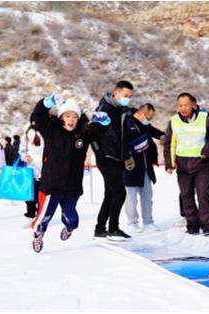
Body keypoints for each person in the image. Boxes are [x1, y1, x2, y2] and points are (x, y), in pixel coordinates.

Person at [30, 94, 110, 253]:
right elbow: (37, 116)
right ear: (61, 117)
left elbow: (101, 129)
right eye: (67, 115)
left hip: (72, 186)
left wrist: (105, 120)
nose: (71, 119)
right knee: (43, 215)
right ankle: (38, 234)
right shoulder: (50, 129)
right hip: (50, 184)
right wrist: (46, 103)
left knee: (70, 216)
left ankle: (70, 227)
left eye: (74, 116)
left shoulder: (83, 132)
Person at [163, 93, 209, 236]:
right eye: (180, 105)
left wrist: (207, 149)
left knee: (203, 195)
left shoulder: (204, 118)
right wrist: (169, 163)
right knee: (186, 196)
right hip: (182, 164)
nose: (183, 108)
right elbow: (169, 143)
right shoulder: (174, 121)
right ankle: (192, 226)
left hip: (202, 163)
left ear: (193, 105)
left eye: (186, 105)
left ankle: (206, 226)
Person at [91, 80, 134, 241]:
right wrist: (99, 154)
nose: (127, 98)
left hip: (118, 157)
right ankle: (113, 228)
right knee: (119, 192)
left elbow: (123, 137)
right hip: (107, 156)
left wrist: (126, 156)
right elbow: (92, 133)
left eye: (130, 96)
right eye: (125, 95)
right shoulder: (105, 108)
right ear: (115, 92)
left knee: (110, 193)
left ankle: (100, 228)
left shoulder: (122, 110)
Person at [122, 103, 164, 233]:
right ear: (142, 114)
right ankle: (132, 223)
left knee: (147, 196)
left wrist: (163, 135)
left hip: (146, 166)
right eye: (148, 118)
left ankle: (148, 222)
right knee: (131, 197)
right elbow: (120, 142)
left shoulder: (143, 124)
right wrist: (125, 158)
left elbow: (152, 130)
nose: (148, 121)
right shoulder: (126, 123)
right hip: (131, 166)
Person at [21, 123, 44, 218]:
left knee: (34, 193)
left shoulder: (46, 131)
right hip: (33, 167)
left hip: (39, 167)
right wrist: (24, 156)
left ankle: (34, 213)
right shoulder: (27, 134)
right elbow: (22, 150)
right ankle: (35, 213)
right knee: (34, 193)